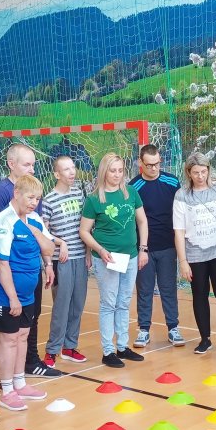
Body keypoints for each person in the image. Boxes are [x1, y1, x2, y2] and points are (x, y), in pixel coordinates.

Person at [0, 142, 62, 378]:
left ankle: (28, 364)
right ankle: (5, 377)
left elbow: (41, 235)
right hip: (10, 274)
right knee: (8, 332)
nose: (32, 169)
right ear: (11, 164)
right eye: (27, 164)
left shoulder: (33, 195)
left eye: (33, 165)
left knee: (31, 319)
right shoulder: (1, 193)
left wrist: (47, 264)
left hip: (31, 271)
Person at [0, 174, 55, 411]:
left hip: (28, 293)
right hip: (7, 293)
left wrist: (35, 232)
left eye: (37, 198)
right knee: (8, 339)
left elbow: (49, 247)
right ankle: (7, 390)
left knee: (23, 336)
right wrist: (12, 297)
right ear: (16, 194)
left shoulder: (34, 219)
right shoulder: (4, 221)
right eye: (30, 197)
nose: (34, 202)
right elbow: (1, 263)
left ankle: (20, 382)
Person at [80, 152, 149, 368]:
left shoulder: (131, 192)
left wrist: (143, 248)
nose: (117, 174)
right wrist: (100, 250)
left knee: (124, 301)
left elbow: (142, 221)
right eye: (112, 170)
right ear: (104, 171)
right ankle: (108, 350)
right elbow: (84, 231)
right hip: (107, 258)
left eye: (120, 170)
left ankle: (122, 346)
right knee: (109, 303)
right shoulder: (94, 199)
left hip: (130, 257)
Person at [173, 152, 216, 357]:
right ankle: (205, 339)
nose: (200, 176)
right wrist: (183, 261)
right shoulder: (182, 196)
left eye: (203, 172)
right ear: (189, 173)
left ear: (209, 170)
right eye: (196, 172)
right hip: (195, 253)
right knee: (199, 295)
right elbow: (179, 231)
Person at [128, 144, 185, 348]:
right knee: (144, 290)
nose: (154, 168)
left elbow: (182, 213)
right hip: (144, 249)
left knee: (168, 288)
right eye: (149, 165)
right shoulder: (133, 187)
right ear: (140, 163)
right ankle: (144, 330)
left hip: (168, 247)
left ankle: (173, 328)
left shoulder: (172, 182)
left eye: (157, 164)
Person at [39, 155, 90, 367]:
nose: (72, 172)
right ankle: (52, 350)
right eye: (66, 169)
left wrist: (88, 252)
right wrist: (60, 243)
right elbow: (43, 232)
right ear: (56, 174)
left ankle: (69, 347)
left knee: (78, 304)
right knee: (61, 306)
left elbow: (86, 226)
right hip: (62, 260)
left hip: (81, 258)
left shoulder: (79, 193)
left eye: (73, 167)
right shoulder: (48, 200)